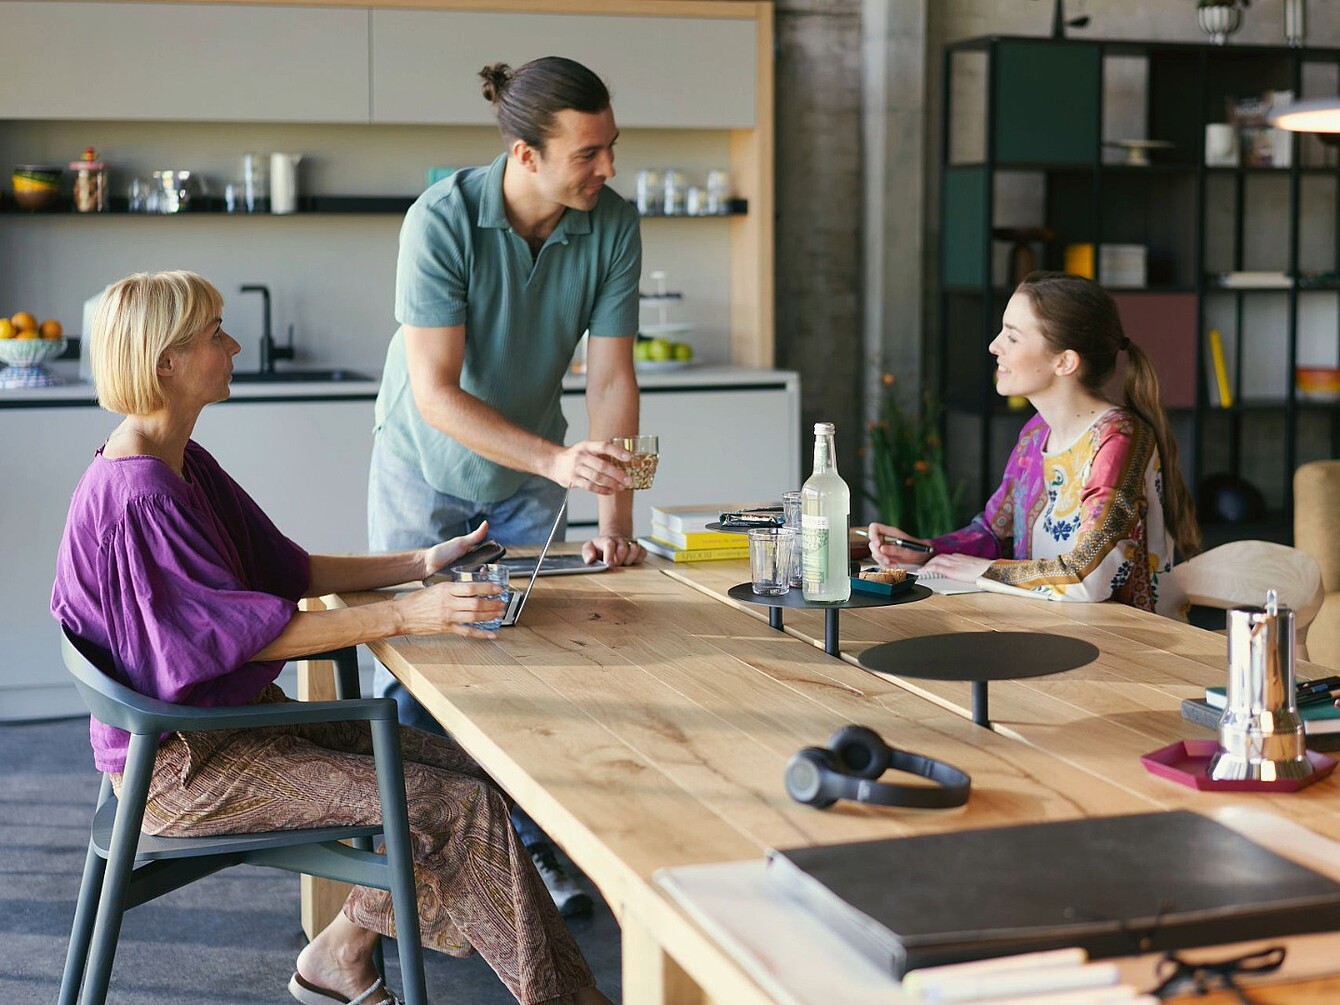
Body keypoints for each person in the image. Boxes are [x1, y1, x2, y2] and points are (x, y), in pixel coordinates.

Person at [51, 271, 613, 1005]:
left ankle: (341, 954)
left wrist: (419, 563)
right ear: (167, 361)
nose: (235, 344)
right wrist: (415, 615)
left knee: (480, 778)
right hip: (186, 767)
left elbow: (290, 569)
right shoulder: (143, 496)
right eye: (216, 333)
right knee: (451, 807)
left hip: (224, 730)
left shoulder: (175, 460)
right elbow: (244, 639)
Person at [368, 55, 644, 914]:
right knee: (416, 671)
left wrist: (614, 516)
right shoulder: (440, 221)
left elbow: (610, 381)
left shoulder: (613, 224)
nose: (607, 168)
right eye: (588, 153)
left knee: (534, 666)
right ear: (526, 155)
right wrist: (559, 463)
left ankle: (527, 851)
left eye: (611, 147)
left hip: (532, 476)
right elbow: (437, 393)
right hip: (426, 469)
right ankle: (417, 871)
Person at [868, 271, 1200, 618]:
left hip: (1130, 647)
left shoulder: (1118, 440)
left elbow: (1089, 576)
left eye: (1011, 337)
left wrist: (984, 570)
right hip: (1048, 628)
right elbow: (994, 532)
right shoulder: (1035, 434)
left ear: (1065, 361)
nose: (994, 346)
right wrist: (927, 551)